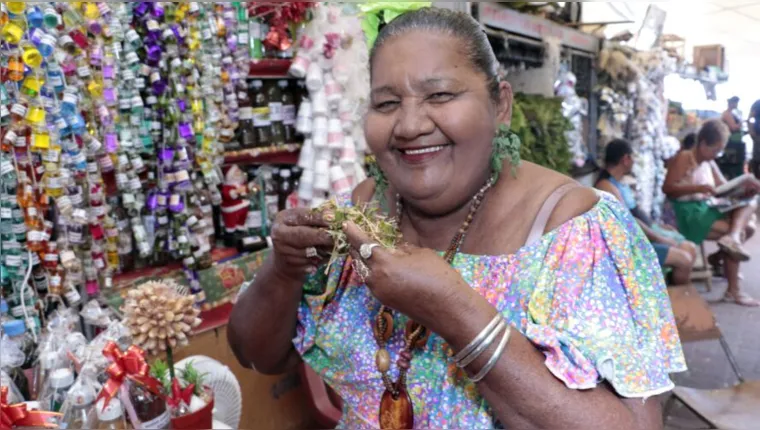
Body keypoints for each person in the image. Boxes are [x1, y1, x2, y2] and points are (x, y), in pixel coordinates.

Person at [229, 8, 684, 429]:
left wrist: (454, 310)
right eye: (386, 104)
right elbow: (257, 355)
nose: (409, 126)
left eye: (440, 95)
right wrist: (283, 271)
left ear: (500, 105)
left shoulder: (572, 228)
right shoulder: (360, 212)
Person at [664, 119, 760, 307]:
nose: (717, 154)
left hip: (705, 207)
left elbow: (724, 187)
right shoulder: (685, 157)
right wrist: (697, 187)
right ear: (702, 144)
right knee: (739, 230)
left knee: (749, 210)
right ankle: (733, 290)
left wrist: (743, 189)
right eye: (715, 149)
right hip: (687, 212)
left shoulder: (709, 162)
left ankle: (722, 255)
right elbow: (668, 188)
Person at [596, 139, 696, 285]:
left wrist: (658, 227)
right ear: (626, 159)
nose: (634, 162)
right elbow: (629, 223)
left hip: (643, 235)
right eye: (633, 158)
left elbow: (635, 214)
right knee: (684, 260)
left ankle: (669, 294)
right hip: (632, 244)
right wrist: (660, 238)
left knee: (689, 249)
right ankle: (674, 300)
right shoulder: (606, 186)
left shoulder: (617, 183)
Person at [750, 99, 760, 179]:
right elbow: (750, 118)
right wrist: (751, 130)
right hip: (758, 136)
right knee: (757, 159)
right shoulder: (757, 103)